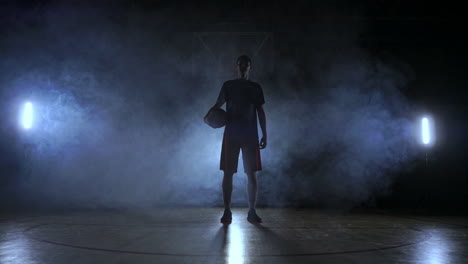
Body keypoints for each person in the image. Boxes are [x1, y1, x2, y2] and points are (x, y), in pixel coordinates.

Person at [206, 55, 267, 224]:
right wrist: (208, 116)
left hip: (250, 135)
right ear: (236, 66)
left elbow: (260, 112)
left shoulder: (255, 87)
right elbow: (218, 104)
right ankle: (227, 211)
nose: (242, 67)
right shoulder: (229, 85)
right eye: (240, 65)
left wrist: (265, 134)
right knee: (228, 173)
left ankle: (252, 211)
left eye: (245, 65)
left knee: (252, 174)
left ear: (250, 68)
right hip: (232, 133)